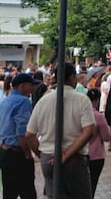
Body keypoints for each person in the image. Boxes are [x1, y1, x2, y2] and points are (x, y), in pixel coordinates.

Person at [26, 64, 95, 198]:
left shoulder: (44, 101)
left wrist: (41, 154)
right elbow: (89, 131)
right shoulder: (82, 99)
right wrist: (66, 154)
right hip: (75, 159)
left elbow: (29, 134)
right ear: (72, 77)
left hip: (48, 157)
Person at [0, 73, 39, 199]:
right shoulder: (23, 102)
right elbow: (22, 132)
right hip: (17, 154)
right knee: (28, 193)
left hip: (3, 151)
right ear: (23, 86)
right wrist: (28, 154)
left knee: (9, 193)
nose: (33, 89)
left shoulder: (5, 100)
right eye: (31, 85)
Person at [85, 88, 111, 198]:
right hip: (96, 155)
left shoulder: (79, 114)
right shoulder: (99, 117)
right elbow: (106, 137)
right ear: (97, 100)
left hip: (79, 154)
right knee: (92, 184)